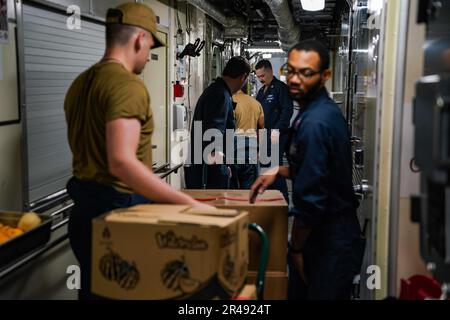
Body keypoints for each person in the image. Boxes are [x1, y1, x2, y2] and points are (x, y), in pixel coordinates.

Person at [64, 3, 211, 300]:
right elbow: (121, 162)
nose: (148, 56)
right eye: (150, 46)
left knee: (96, 291)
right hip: (118, 213)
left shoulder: (80, 84)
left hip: (83, 210)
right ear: (139, 39)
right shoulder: (128, 86)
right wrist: (186, 202)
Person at [250, 40, 364, 300]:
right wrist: (280, 170)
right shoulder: (315, 111)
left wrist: (296, 248)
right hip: (328, 235)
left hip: (326, 241)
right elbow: (321, 172)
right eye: (291, 71)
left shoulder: (315, 122)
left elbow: (312, 200)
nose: (295, 79)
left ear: (325, 76)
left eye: (306, 73)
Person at [184, 57, 251, 189]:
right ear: (243, 77)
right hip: (209, 173)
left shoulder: (217, 91)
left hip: (207, 167)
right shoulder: (219, 94)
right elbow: (213, 135)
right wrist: (222, 169)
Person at [255, 60, 293, 202]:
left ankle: (283, 202)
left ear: (270, 71)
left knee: (274, 170)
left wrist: (275, 132)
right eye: (258, 76)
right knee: (266, 170)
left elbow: (287, 112)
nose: (260, 79)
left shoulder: (281, 89)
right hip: (264, 136)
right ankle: (271, 201)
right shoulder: (261, 91)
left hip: (276, 136)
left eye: (262, 76)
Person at [231, 88, 264, 189]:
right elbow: (261, 127)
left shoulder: (230, 101)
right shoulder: (256, 103)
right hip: (251, 147)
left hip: (234, 146)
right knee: (249, 186)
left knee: (232, 186)